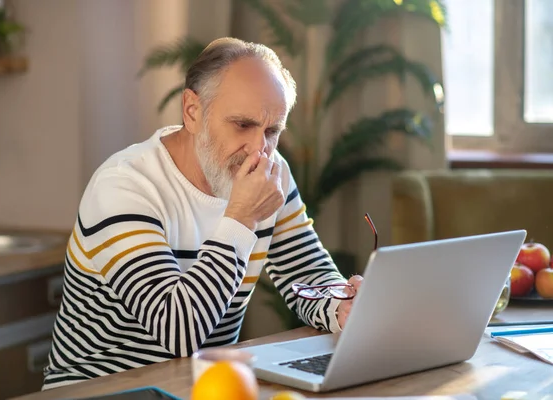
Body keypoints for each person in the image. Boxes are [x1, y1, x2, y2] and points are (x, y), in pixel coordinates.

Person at [42, 37, 363, 390]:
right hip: (102, 393)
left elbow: (309, 275)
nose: (259, 149)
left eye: (271, 131)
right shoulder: (124, 187)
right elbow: (178, 334)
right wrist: (241, 218)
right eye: (242, 125)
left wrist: (342, 306)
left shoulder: (271, 173)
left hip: (200, 387)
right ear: (192, 111)